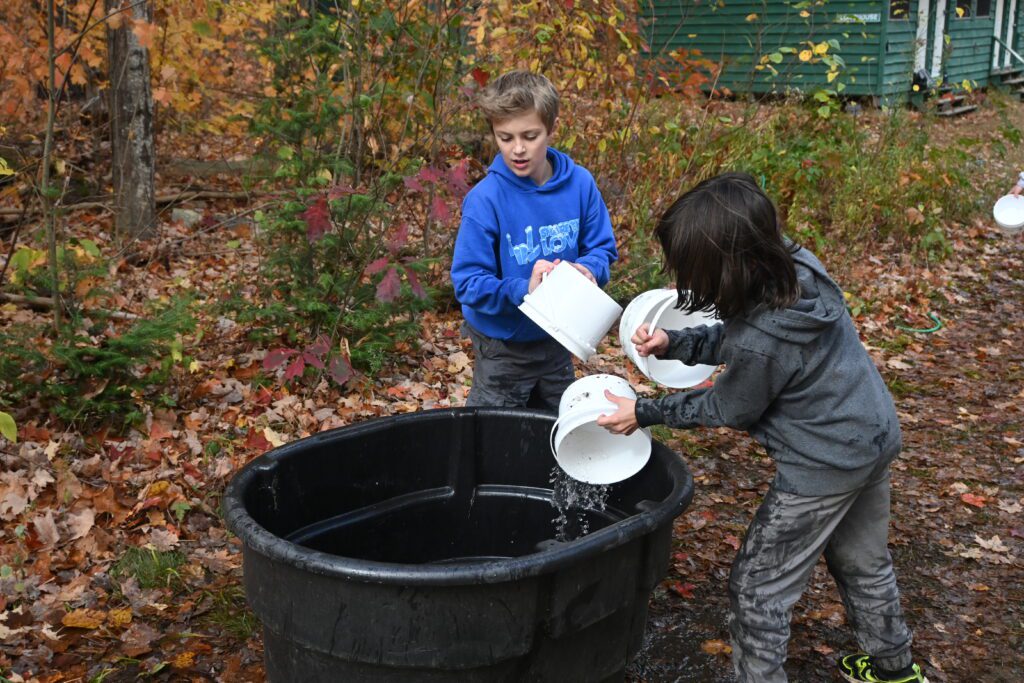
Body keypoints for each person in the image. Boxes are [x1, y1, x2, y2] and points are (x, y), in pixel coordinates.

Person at [597, 172, 927, 683]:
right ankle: (895, 670)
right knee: (864, 562)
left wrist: (642, 412)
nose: (685, 281)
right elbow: (743, 334)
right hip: (873, 434)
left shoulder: (760, 340)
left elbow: (729, 407)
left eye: (691, 271)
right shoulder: (795, 267)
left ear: (727, 268)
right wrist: (676, 342)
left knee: (757, 590)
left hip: (823, 464)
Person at [450, 70, 618, 410]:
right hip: (503, 344)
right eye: (505, 137)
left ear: (552, 128)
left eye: (530, 135)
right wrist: (524, 289)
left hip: (558, 335)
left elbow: (602, 249)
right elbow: (467, 283)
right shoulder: (486, 200)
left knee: (560, 425)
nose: (518, 149)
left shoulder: (580, 185)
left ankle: (551, 465)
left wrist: (587, 271)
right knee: (494, 431)